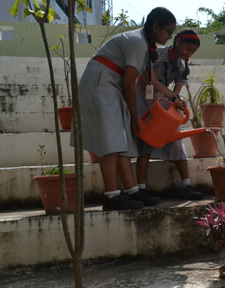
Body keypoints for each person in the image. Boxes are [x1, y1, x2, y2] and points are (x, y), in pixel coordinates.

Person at [72, 7, 177, 211]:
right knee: (112, 138)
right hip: (101, 82)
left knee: (124, 140)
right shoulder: (138, 43)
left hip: (111, 84)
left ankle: (131, 191)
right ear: (155, 27)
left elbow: (151, 80)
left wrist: (175, 97)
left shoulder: (145, 45)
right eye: (168, 31)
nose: (170, 36)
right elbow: (129, 84)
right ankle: (111, 196)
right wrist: (135, 117)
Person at [135, 30, 203, 200]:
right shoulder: (155, 55)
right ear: (178, 42)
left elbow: (176, 91)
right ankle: (140, 188)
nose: (188, 54)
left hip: (162, 99)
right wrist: (153, 99)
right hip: (144, 97)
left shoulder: (180, 65)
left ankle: (186, 185)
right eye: (187, 49)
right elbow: (144, 82)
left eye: (192, 52)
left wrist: (176, 103)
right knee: (147, 140)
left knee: (176, 140)